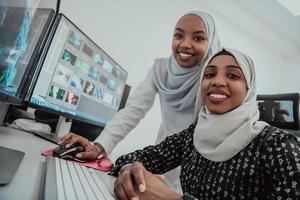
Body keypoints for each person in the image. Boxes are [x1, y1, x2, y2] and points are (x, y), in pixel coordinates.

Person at [59, 10, 221, 191]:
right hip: (164, 153)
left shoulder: (212, 77)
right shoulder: (161, 69)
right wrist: (99, 146)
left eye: (198, 38)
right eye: (178, 35)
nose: (185, 44)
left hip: (198, 162)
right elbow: (132, 110)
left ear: (211, 43)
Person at [110, 48, 300, 200]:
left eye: (233, 76)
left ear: (249, 88)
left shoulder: (278, 146)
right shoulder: (192, 135)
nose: (217, 81)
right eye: (209, 74)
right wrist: (129, 172)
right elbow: (132, 159)